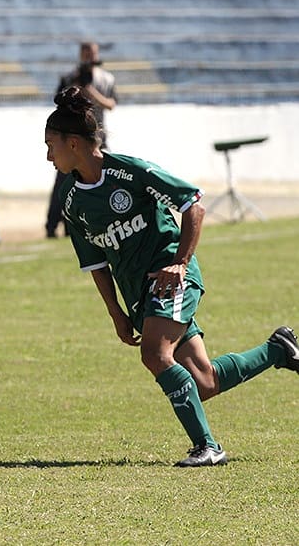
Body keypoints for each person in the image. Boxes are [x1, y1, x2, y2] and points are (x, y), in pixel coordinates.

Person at [45, 86, 298, 468]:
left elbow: (192, 204)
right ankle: (277, 349)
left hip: (170, 279)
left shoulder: (129, 171)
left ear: (74, 143)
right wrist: (115, 312)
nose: (48, 155)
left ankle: (207, 447)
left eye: (51, 145)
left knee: (155, 354)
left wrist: (179, 262)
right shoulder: (70, 197)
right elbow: (95, 262)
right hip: (138, 294)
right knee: (205, 382)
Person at [45, 41, 117, 239]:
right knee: (63, 180)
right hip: (71, 137)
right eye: (85, 53)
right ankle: (52, 225)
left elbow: (111, 104)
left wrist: (90, 92)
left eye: (92, 53)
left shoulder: (106, 78)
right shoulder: (69, 77)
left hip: (97, 137)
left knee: (103, 177)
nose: (89, 57)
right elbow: (58, 102)